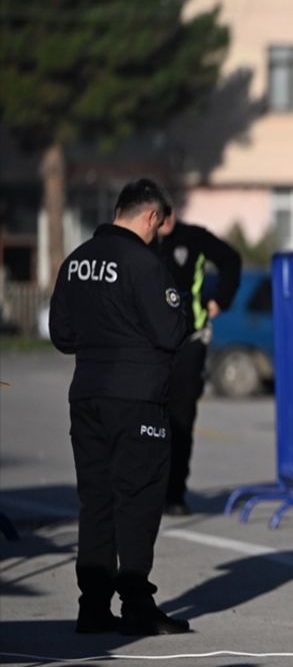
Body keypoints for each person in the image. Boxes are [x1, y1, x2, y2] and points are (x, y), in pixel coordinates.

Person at [48, 178, 193, 636]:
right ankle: (135, 604)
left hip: (87, 396)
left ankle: (92, 606)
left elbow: (62, 336)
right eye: (158, 226)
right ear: (151, 216)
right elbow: (171, 332)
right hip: (137, 403)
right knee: (137, 502)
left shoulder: (75, 263)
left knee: (95, 503)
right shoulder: (143, 263)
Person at [153, 206, 242, 515]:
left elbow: (231, 260)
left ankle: (174, 494)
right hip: (149, 347)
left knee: (181, 419)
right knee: (146, 420)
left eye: (167, 212)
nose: (164, 221)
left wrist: (220, 299)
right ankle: (145, 490)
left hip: (189, 341)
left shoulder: (193, 238)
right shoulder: (141, 242)